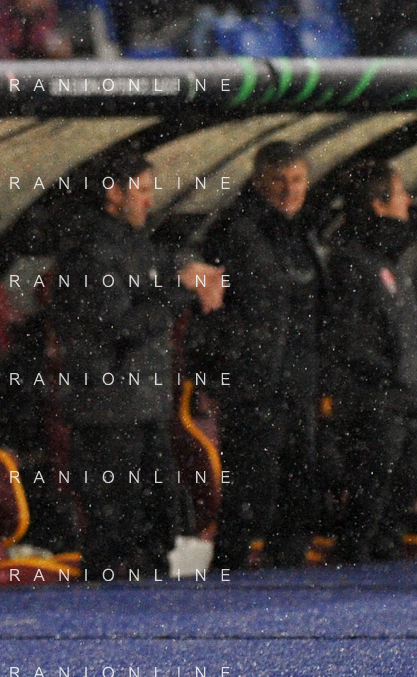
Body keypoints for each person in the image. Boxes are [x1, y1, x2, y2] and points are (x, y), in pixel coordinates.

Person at [50, 146, 224, 576]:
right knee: (117, 525)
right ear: (114, 193)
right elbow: (119, 325)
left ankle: (140, 590)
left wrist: (191, 270)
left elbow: (164, 263)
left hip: (139, 405)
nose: (150, 200)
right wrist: (181, 292)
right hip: (108, 409)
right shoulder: (91, 252)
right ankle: (113, 599)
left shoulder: (129, 243)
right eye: (142, 190)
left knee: (155, 518)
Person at [202, 141, 326, 570]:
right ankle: (229, 570)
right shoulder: (235, 231)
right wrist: (226, 369)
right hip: (254, 384)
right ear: (258, 181)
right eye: (279, 180)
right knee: (250, 486)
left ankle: (286, 570)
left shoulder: (304, 232)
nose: (290, 190)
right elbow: (212, 309)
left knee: (299, 483)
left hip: (297, 381)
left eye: (298, 180)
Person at [325, 160, 417, 563]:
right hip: (375, 404)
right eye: (400, 193)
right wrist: (393, 381)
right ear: (378, 204)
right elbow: (350, 340)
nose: (408, 201)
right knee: (367, 508)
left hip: (400, 400)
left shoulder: (389, 259)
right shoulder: (351, 261)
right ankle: (348, 585)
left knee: (393, 510)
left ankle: (379, 581)